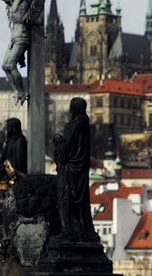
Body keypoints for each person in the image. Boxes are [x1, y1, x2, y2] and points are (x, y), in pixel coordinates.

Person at [53, 97, 98, 242]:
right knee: (78, 200)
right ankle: (77, 228)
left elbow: (65, 151)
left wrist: (58, 142)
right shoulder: (85, 124)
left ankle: (68, 229)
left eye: (72, 106)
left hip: (70, 170)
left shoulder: (74, 125)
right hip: (80, 169)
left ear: (74, 108)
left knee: (64, 198)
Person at [0, 0, 42, 105]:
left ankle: (22, 91)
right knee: (4, 66)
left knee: (10, 65)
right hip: (14, 38)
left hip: (22, 37)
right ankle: (18, 90)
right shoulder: (10, 4)